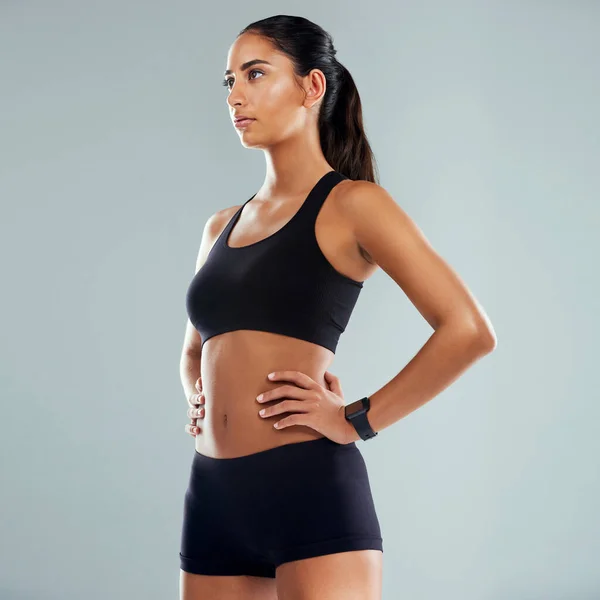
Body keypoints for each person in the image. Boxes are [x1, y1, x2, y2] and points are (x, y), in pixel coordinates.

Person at [178, 14, 497, 600]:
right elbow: (197, 345)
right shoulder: (220, 226)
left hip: (308, 488)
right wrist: (196, 395)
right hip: (213, 494)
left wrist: (355, 419)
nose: (236, 96)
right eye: (229, 82)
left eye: (255, 74)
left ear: (312, 86)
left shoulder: (355, 206)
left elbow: (468, 330)